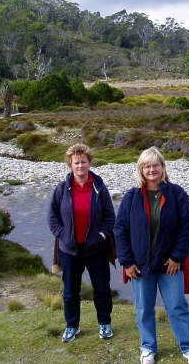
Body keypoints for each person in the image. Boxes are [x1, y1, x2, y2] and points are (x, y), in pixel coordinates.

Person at [114, 147, 189, 364]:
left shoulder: (176, 194)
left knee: (177, 306)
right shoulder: (131, 196)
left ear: (163, 167)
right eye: (147, 166)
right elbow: (120, 230)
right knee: (144, 309)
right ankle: (147, 348)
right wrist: (126, 261)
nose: (151, 169)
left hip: (169, 264)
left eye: (155, 165)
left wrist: (177, 256)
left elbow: (187, 227)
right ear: (141, 169)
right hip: (140, 266)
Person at [47, 144, 116, 342]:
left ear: (89, 162)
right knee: (70, 291)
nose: (80, 166)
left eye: (83, 162)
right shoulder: (61, 189)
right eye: (76, 162)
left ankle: (104, 323)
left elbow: (109, 217)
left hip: (96, 249)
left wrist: (101, 236)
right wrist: (63, 235)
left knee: (102, 288)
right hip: (70, 250)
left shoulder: (99, 187)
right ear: (70, 164)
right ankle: (72, 326)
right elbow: (52, 217)